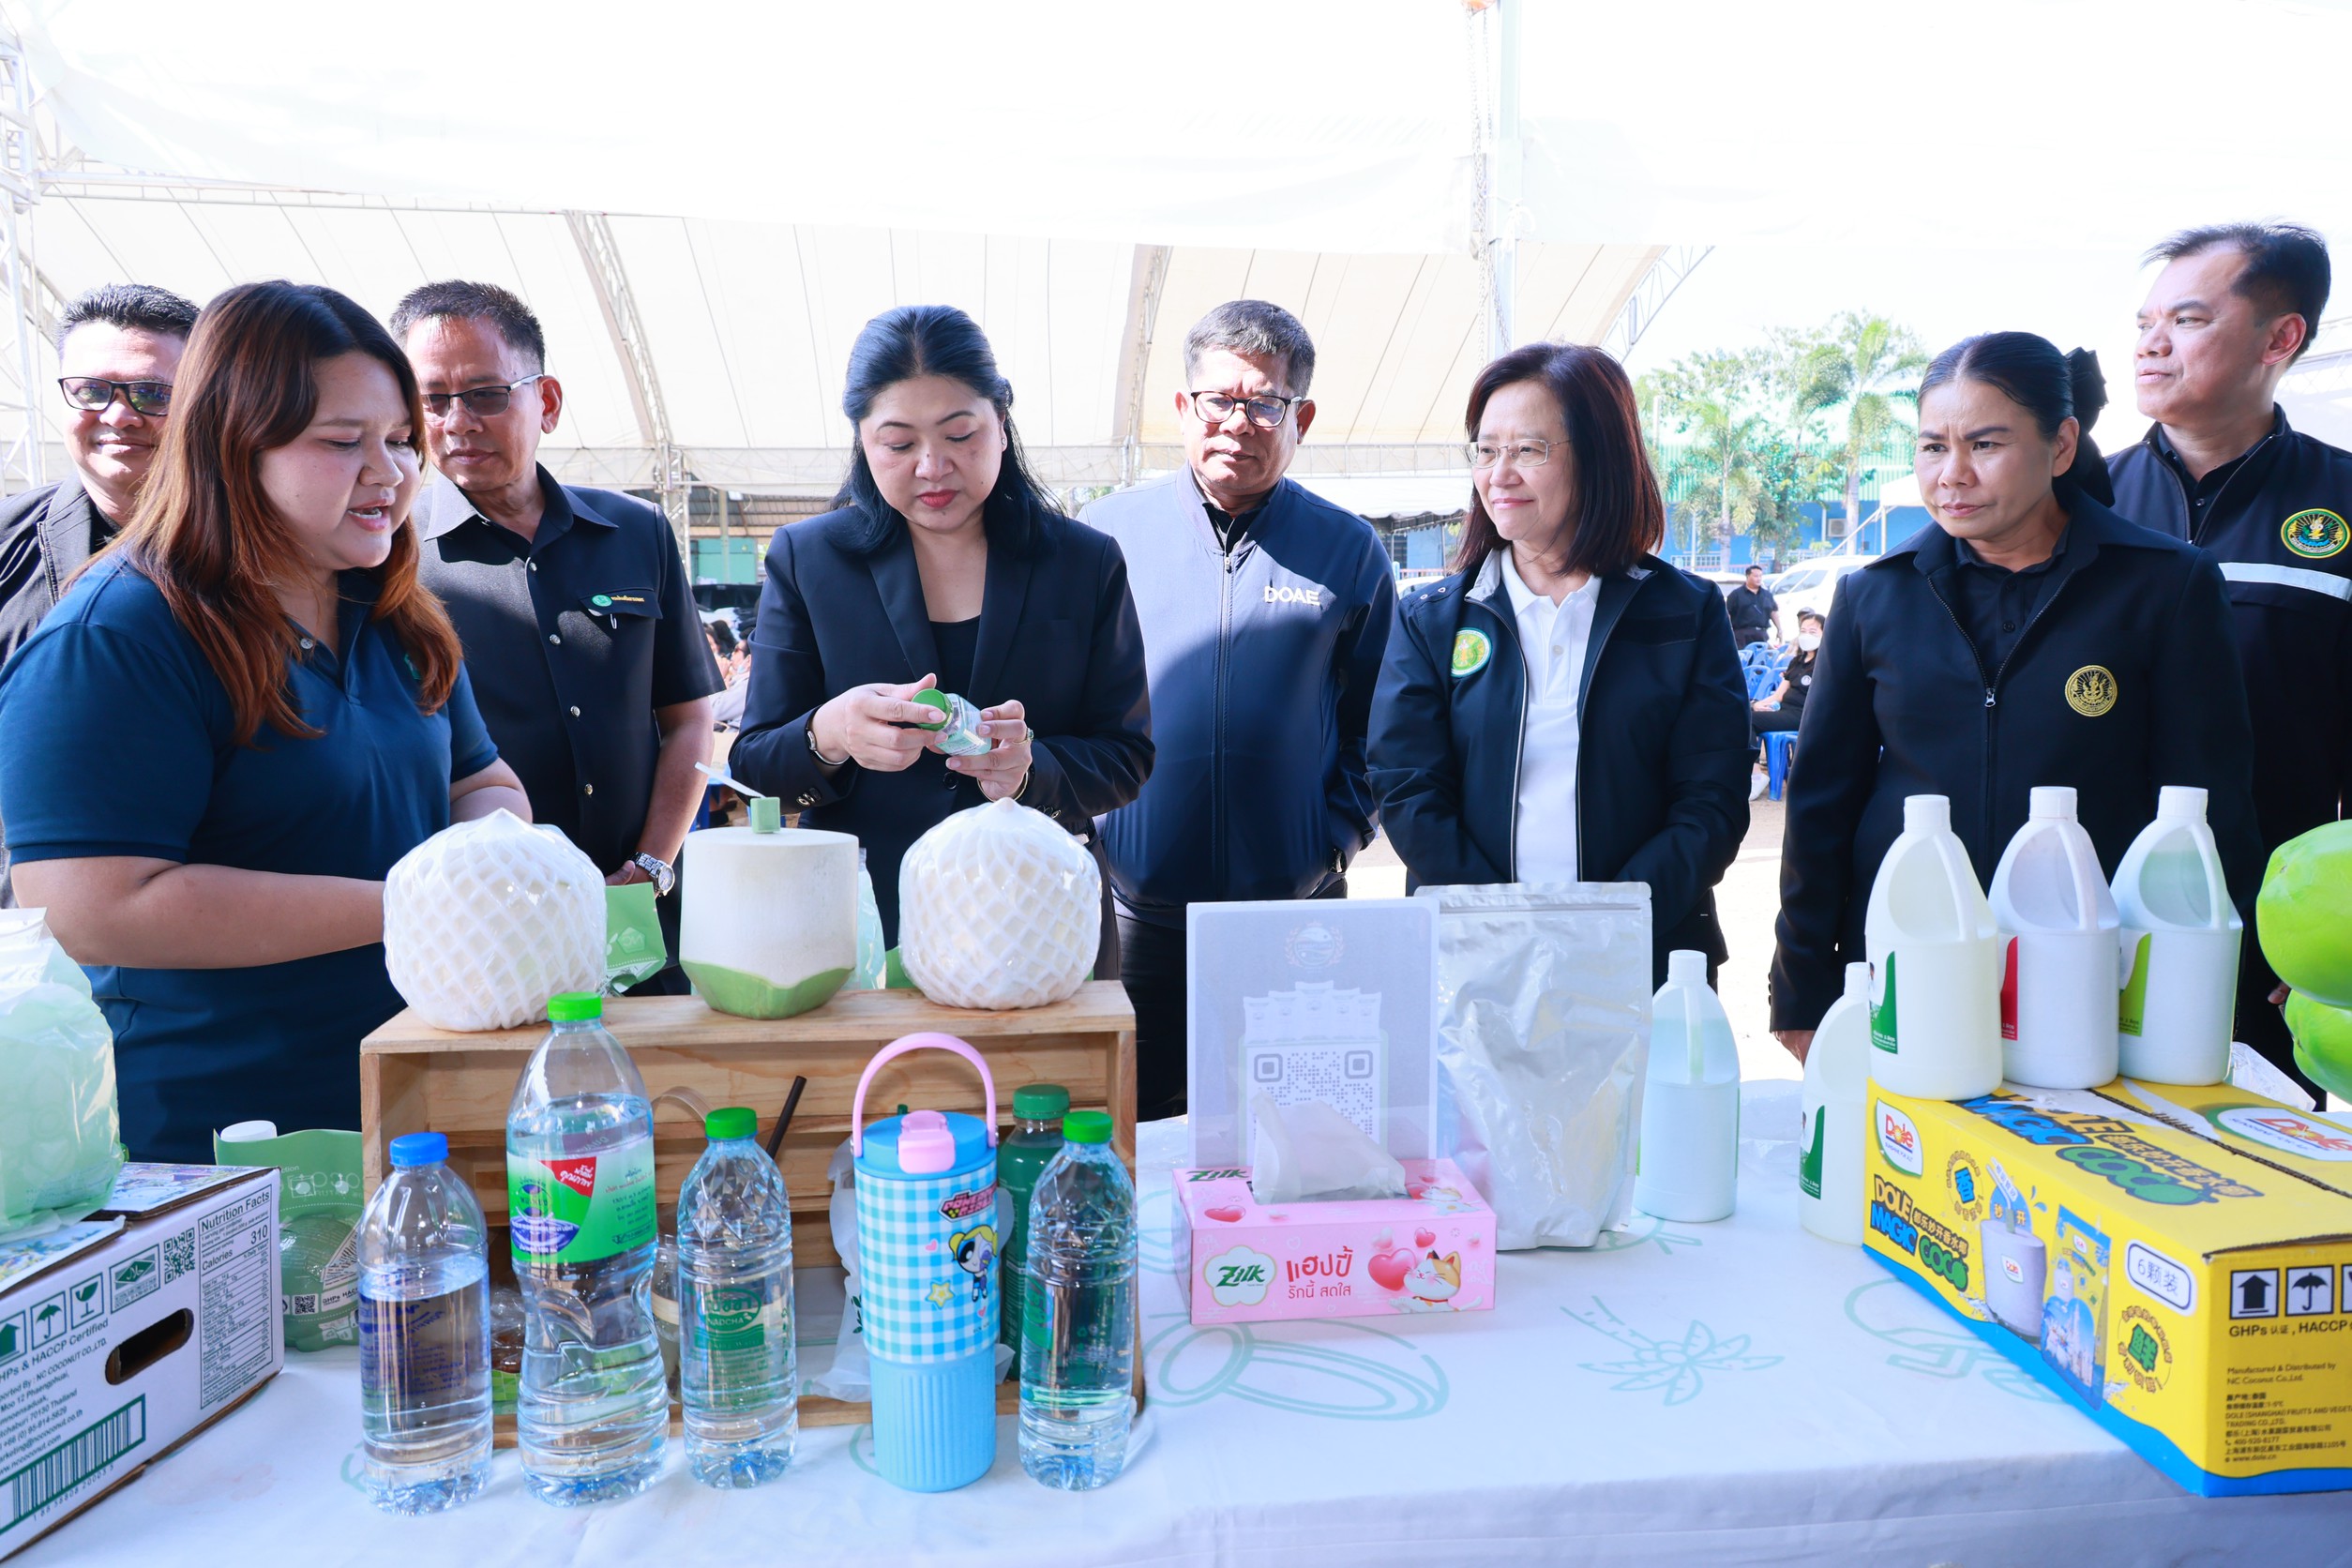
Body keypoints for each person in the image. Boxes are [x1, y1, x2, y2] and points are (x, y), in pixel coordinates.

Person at [0, 281, 530, 1160]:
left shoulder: (394, 611)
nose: (391, 472)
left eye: (400, 440)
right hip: (217, 1143)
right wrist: (414, 907)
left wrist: (502, 868)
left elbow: (481, 780)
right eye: (341, 442)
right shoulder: (121, 634)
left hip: (415, 1101)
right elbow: (91, 905)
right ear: (233, 447)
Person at [1771, 333, 2262, 1059]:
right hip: (1916, 967)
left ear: (2061, 446)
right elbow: (1820, 806)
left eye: (1985, 445)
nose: (1952, 475)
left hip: (2095, 984)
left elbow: (2209, 802)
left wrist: (2232, 984)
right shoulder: (1876, 595)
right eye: (1933, 447)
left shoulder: (2164, 585)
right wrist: (1803, 989)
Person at [730, 305, 1152, 958]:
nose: (932, 466)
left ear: (1002, 425)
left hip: (1040, 919)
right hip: (869, 925)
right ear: (863, 443)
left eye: (960, 434)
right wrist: (833, 733)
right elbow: (756, 761)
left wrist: (1028, 769)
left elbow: (1126, 757)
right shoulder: (809, 559)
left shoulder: (1084, 562)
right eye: (898, 444)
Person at [1081, 300, 1395, 1121]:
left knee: (1294, 1146)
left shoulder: (1347, 549)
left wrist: (1334, 841)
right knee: (1132, 1142)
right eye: (1220, 399)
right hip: (1134, 922)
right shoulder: (1105, 538)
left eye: (1265, 403)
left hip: (1292, 924)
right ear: (1184, 408)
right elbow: (1063, 714)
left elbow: (1381, 724)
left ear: (1302, 417)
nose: (1239, 422)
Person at [1369, 342, 1752, 985]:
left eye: (1528, 450)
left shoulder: (1684, 612)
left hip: (1644, 960)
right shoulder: (1432, 619)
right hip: (1477, 964)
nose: (1500, 473)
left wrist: (1601, 925)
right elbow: (1408, 789)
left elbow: (1710, 804)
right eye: (1487, 450)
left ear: (1600, 457)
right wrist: (1508, 929)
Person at [393, 281, 719, 992]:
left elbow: (690, 718)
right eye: (434, 399)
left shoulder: (637, 531)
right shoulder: (391, 557)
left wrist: (654, 866)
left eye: (484, 393)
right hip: (487, 932)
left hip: (644, 911)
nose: (457, 422)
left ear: (545, 401)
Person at [2108, 223, 2350, 1082]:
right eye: (2145, 323)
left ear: (2280, 338)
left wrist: (2321, 939)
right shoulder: (2076, 505)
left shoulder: (2341, 502)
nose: (2152, 344)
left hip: (2274, 947)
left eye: (2188, 319)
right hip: (2088, 922)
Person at [0, 284, 201, 907]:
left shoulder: (274, 560)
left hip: (206, 931)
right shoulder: (8, 547)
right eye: (91, 390)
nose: (119, 415)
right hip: (29, 944)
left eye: (152, 393)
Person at [1747, 610, 1821, 798]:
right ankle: (1747, 771)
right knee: (1744, 712)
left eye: (1813, 631)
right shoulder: (1796, 662)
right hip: (1785, 711)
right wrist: (1756, 704)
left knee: (1749, 720)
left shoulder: (1826, 663)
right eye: (1803, 630)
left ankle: (1756, 775)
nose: (1806, 635)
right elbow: (1778, 695)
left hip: (1804, 715)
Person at [1726, 562, 1782, 647]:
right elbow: (1727, 614)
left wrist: (1779, 629)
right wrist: (1727, 631)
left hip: (1762, 634)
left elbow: (1773, 612)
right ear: (1748, 576)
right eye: (1756, 576)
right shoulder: (1736, 595)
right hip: (1741, 636)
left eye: (1760, 576)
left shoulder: (1767, 595)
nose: (1759, 579)